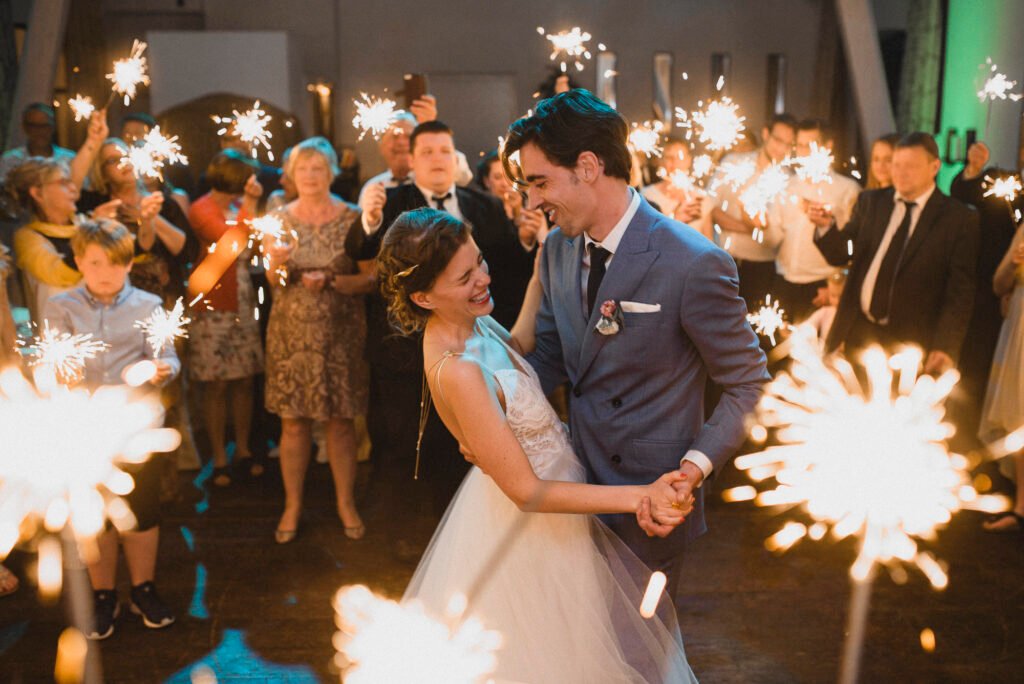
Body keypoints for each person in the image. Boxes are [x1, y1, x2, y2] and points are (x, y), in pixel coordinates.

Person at [379, 207, 697, 683]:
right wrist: (640, 496)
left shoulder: (472, 322)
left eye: (480, 261)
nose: (484, 278)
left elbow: (516, 346)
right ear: (423, 296)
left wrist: (539, 275)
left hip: (565, 500)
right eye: (465, 277)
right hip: (531, 527)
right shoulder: (456, 369)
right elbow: (527, 493)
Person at [499, 89, 769, 601]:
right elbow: (553, 356)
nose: (531, 202)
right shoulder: (556, 248)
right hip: (573, 490)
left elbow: (749, 384)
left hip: (652, 499)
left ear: (587, 166)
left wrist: (692, 470)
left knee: (637, 647)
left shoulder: (692, 261)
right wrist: (492, 402)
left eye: (540, 182)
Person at [43, 219, 180, 639]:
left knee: (141, 510)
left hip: (138, 427)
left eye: (115, 264)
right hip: (85, 429)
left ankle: (143, 588)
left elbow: (169, 357)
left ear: (128, 264)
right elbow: (51, 363)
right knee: (98, 514)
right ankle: (104, 595)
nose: (106, 272)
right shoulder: (61, 306)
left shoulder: (149, 305)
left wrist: (161, 368)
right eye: (96, 263)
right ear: (79, 261)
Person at [263, 137, 372, 543]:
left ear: (331, 172)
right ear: (292, 174)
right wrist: (276, 265)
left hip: (340, 333)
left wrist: (331, 280)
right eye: (302, 168)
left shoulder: (354, 217)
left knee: (340, 423)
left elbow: (371, 277)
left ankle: (346, 502)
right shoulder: (278, 217)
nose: (310, 175)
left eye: (318, 168)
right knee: (293, 424)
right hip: (290, 335)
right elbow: (273, 280)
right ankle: (292, 505)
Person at [812, 132, 979, 369]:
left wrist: (945, 346)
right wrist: (825, 227)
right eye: (897, 164)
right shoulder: (871, 202)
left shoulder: (958, 218)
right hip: (858, 331)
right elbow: (841, 254)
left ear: (934, 167)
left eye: (911, 166)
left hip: (913, 342)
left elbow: (960, 293)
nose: (900, 172)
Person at [188, 150, 265, 486]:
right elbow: (230, 243)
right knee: (217, 383)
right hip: (213, 301)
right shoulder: (201, 208)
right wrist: (250, 204)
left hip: (244, 299)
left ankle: (244, 449)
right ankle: (219, 456)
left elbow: (254, 244)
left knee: (244, 379)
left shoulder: (238, 207)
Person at [949, 141, 1023, 447]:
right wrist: (973, 169)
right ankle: (970, 448)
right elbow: (962, 192)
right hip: (988, 300)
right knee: (980, 377)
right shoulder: (1003, 183)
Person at [764, 119, 861, 322]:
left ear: (828, 146)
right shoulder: (787, 185)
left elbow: (854, 246)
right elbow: (773, 238)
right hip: (784, 280)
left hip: (821, 285)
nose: (803, 152)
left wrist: (835, 285)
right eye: (799, 145)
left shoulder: (847, 190)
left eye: (810, 145)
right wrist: (759, 223)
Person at [711, 113, 797, 308]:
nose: (781, 149)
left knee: (756, 321)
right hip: (723, 260)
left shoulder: (789, 180)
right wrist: (750, 227)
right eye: (778, 140)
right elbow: (711, 208)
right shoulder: (733, 163)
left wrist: (758, 227)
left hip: (763, 267)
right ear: (766, 134)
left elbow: (778, 233)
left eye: (788, 144)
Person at [978, 221, 1024, 532]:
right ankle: (1021, 508)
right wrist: (1013, 263)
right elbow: (998, 284)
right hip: (1021, 333)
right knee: (1018, 417)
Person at [7, 159, 83, 322]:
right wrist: (93, 238)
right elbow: (57, 274)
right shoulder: (27, 237)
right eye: (64, 183)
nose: (74, 189)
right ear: (38, 193)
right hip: (60, 327)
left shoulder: (85, 223)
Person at [641, 139, 713, 239]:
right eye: (669, 158)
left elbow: (708, 240)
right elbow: (645, 238)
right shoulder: (647, 195)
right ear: (661, 161)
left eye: (680, 157)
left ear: (689, 160)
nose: (674, 163)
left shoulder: (701, 197)